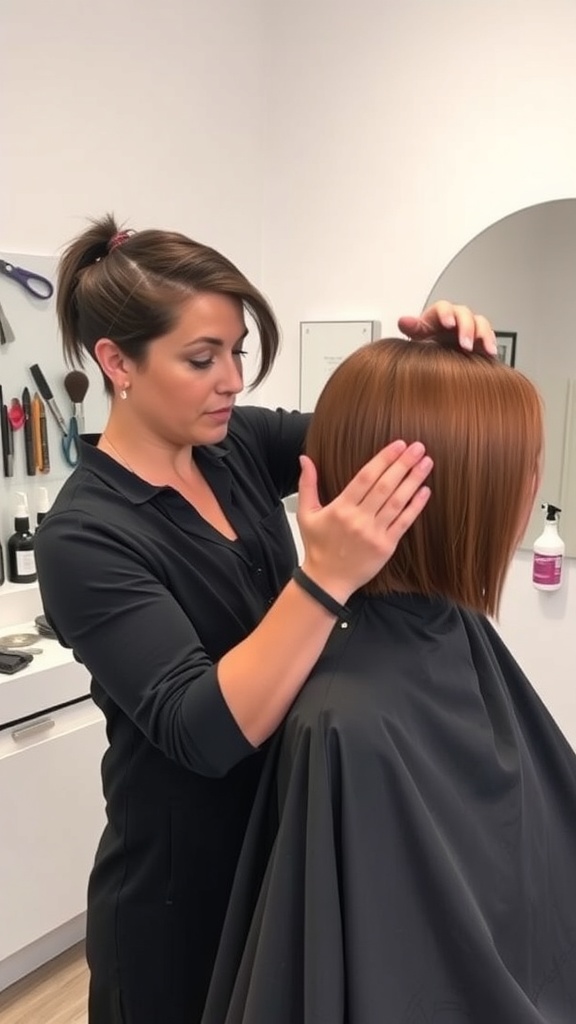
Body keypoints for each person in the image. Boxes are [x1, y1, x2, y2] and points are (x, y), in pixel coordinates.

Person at [34, 213, 495, 1024]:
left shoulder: (233, 445)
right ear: (117, 363)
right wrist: (323, 580)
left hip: (284, 852)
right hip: (182, 905)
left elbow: (379, 441)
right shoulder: (85, 536)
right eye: (202, 358)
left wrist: (437, 364)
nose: (234, 381)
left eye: (237, 351)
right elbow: (201, 729)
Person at [201, 338, 576, 1024]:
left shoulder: (450, 631)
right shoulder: (349, 726)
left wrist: (444, 370)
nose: (534, 488)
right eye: (526, 469)